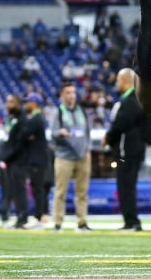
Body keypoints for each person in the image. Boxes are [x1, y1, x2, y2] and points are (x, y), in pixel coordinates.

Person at [105, 68, 149, 231]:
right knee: (127, 186)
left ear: (124, 80)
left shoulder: (131, 99)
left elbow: (121, 123)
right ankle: (130, 221)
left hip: (127, 151)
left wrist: (108, 137)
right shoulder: (134, 98)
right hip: (131, 150)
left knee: (126, 186)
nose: (117, 83)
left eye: (118, 80)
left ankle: (132, 221)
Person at [49, 83, 92, 232]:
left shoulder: (81, 111)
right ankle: (58, 222)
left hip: (83, 156)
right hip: (64, 156)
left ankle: (82, 222)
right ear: (62, 95)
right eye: (68, 92)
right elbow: (52, 134)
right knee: (61, 191)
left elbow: (87, 131)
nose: (71, 95)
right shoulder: (58, 112)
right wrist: (60, 133)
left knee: (82, 191)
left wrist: (87, 148)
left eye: (73, 92)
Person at [0, 94, 27, 229]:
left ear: (18, 104)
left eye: (11, 102)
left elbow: (19, 143)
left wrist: (6, 157)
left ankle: (22, 219)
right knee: (10, 191)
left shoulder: (22, 119)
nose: (7, 105)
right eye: (7, 102)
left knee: (19, 190)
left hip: (18, 160)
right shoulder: (10, 119)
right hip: (9, 160)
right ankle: (15, 218)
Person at [17, 93, 51, 229]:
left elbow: (22, 134)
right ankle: (40, 216)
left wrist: (26, 135)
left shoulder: (36, 119)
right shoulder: (38, 118)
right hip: (38, 158)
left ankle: (40, 217)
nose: (26, 105)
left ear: (34, 103)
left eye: (28, 102)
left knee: (38, 188)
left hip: (37, 159)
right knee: (38, 188)